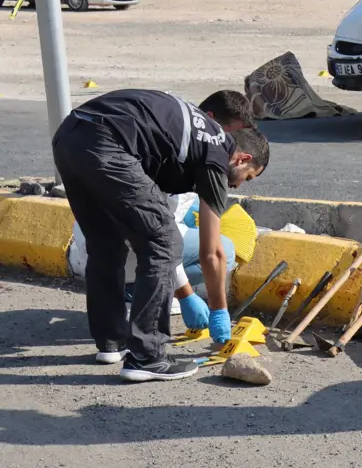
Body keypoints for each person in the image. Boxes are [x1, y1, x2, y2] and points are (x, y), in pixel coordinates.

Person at [52, 89, 270, 382]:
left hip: (70, 135)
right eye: (249, 177)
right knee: (165, 242)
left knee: (106, 243)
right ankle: (148, 357)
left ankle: (110, 342)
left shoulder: (185, 135)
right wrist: (220, 313)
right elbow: (212, 252)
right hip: (108, 142)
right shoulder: (217, 152)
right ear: (242, 159)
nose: (241, 186)